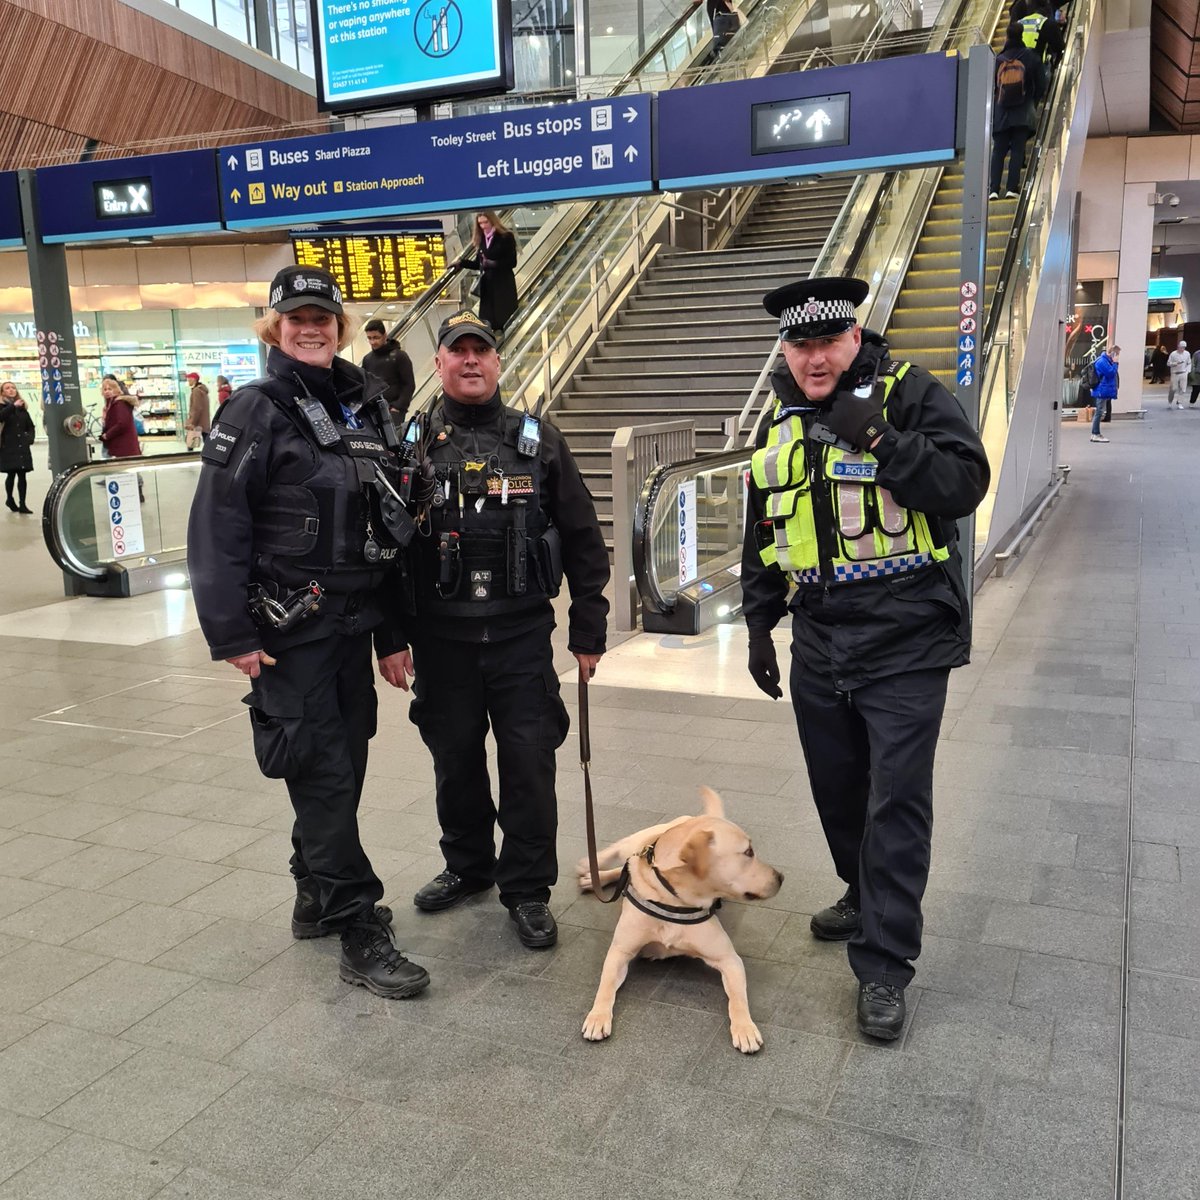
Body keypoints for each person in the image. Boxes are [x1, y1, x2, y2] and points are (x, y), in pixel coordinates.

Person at [740, 277, 990, 1041]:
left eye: (828, 342)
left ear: (854, 339)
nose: (815, 358)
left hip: (907, 634)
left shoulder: (912, 395)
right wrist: (758, 624)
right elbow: (762, 530)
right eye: (801, 344)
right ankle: (861, 886)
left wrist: (875, 434)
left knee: (897, 799)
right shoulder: (778, 417)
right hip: (819, 634)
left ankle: (883, 965)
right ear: (787, 348)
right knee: (838, 787)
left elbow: (963, 484)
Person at [186, 265, 430, 1001]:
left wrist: (390, 633)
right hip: (287, 633)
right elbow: (217, 524)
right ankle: (357, 925)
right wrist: (229, 632)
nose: (311, 325)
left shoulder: (366, 407)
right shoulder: (255, 411)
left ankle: (313, 894)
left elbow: (382, 532)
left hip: (352, 625)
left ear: (341, 325)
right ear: (274, 328)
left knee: (344, 765)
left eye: (323, 315)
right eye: (296, 318)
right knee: (322, 775)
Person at [401, 310, 609, 949]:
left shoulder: (537, 438)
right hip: (442, 642)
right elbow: (390, 545)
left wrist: (589, 628)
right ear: (438, 363)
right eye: (456, 351)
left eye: (481, 352)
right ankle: (468, 866)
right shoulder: (409, 443)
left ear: (497, 363)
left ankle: (527, 888)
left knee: (528, 765)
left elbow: (581, 536)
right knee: (454, 762)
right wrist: (391, 637)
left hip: (521, 639)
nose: (470, 362)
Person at [989, 22, 1045, 200]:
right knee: (1017, 150)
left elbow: (991, 87)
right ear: (1021, 35)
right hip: (1022, 111)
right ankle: (1012, 188)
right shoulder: (1030, 56)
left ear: (1006, 37)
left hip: (1001, 112)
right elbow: (1041, 84)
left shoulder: (998, 60)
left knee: (998, 151)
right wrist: (1032, 100)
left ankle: (993, 190)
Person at [360, 318, 416, 429]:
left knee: (393, 441)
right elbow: (365, 384)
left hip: (393, 410)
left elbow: (409, 385)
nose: (372, 342)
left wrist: (398, 407)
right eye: (369, 338)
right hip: (373, 411)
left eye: (376, 337)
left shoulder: (400, 356)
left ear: (384, 336)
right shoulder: (367, 359)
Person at [469, 211, 519, 334]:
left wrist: (493, 264)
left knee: (504, 318)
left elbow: (512, 262)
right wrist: (461, 263)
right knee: (487, 322)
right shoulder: (482, 240)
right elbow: (477, 263)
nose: (483, 226)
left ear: (492, 220)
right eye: (480, 223)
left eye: (486, 222)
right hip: (488, 287)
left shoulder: (506, 237)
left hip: (503, 286)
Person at [0, 381, 35, 514]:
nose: (11, 390)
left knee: (22, 475)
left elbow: (30, 426)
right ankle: (9, 498)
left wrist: (29, 439)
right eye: (7, 388)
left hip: (22, 446)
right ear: (2, 392)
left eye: (13, 388)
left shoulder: (22, 409)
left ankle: (22, 504)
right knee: (11, 473)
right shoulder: (3, 407)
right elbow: (1, 416)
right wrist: (12, 406)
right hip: (7, 445)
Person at [99, 375, 142, 458]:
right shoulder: (111, 403)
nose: (107, 392)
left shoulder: (119, 404)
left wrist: (107, 435)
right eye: (105, 389)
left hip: (124, 447)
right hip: (121, 446)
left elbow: (122, 424)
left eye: (110, 389)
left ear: (116, 390)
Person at [1089, 345, 1118, 441]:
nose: (1117, 356)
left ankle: (1095, 433)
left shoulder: (1105, 361)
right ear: (1112, 353)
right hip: (1102, 389)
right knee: (1099, 411)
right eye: (1117, 354)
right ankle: (1095, 433)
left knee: (1100, 411)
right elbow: (1111, 373)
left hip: (1103, 389)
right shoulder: (1102, 361)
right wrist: (1115, 363)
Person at [184, 371, 211, 450]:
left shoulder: (196, 391)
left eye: (189, 378)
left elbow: (196, 407)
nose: (188, 380)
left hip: (198, 421)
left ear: (194, 379)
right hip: (203, 421)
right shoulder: (202, 390)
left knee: (191, 443)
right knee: (206, 439)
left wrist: (192, 422)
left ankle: (189, 457)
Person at [1167, 341, 1190, 408]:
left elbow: (1189, 363)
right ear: (1178, 346)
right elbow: (1168, 363)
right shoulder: (1173, 354)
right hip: (1175, 373)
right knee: (1173, 388)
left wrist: (1188, 371)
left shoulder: (1187, 354)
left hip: (1183, 372)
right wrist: (1175, 363)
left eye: (1184, 347)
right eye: (1181, 347)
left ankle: (1180, 402)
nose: (1182, 349)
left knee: (1183, 389)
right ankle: (1170, 401)